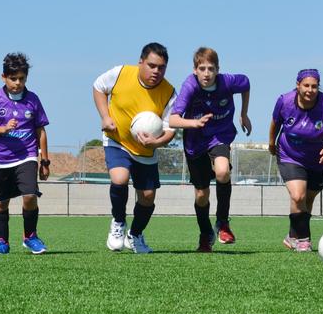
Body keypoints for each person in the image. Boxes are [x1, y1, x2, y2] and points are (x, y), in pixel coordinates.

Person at [93, 42, 176, 254]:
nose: (156, 71)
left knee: (147, 197)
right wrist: (105, 117)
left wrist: (155, 143)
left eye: (161, 67)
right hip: (117, 140)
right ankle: (118, 223)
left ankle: (135, 235)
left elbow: (170, 129)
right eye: (152, 65)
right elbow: (98, 87)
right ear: (141, 62)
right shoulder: (121, 73)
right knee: (119, 178)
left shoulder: (169, 92)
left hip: (147, 151)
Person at [169, 47, 251, 252]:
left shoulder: (228, 82)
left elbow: (246, 83)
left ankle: (223, 223)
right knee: (201, 194)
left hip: (219, 135)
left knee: (223, 171)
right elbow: (173, 119)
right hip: (195, 142)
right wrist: (193, 123)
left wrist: (244, 113)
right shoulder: (190, 85)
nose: (206, 73)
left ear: (218, 70)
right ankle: (206, 233)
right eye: (202, 68)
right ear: (195, 69)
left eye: (211, 69)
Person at [0, 53, 50, 255]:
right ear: (4, 77)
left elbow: (41, 131)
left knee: (30, 196)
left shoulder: (33, 100)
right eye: (13, 78)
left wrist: (44, 160)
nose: (17, 83)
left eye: (21, 78)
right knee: (1, 202)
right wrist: (3, 129)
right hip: (1, 160)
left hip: (26, 156)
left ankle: (30, 237)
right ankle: (2, 242)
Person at [268, 69, 323, 252]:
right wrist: (271, 143)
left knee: (307, 200)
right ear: (298, 85)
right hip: (290, 154)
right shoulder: (285, 101)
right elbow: (275, 123)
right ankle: (303, 240)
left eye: (314, 86)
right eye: (306, 85)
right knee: (298, 195)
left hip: (317, 159)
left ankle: (292, 236)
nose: (310, 90)